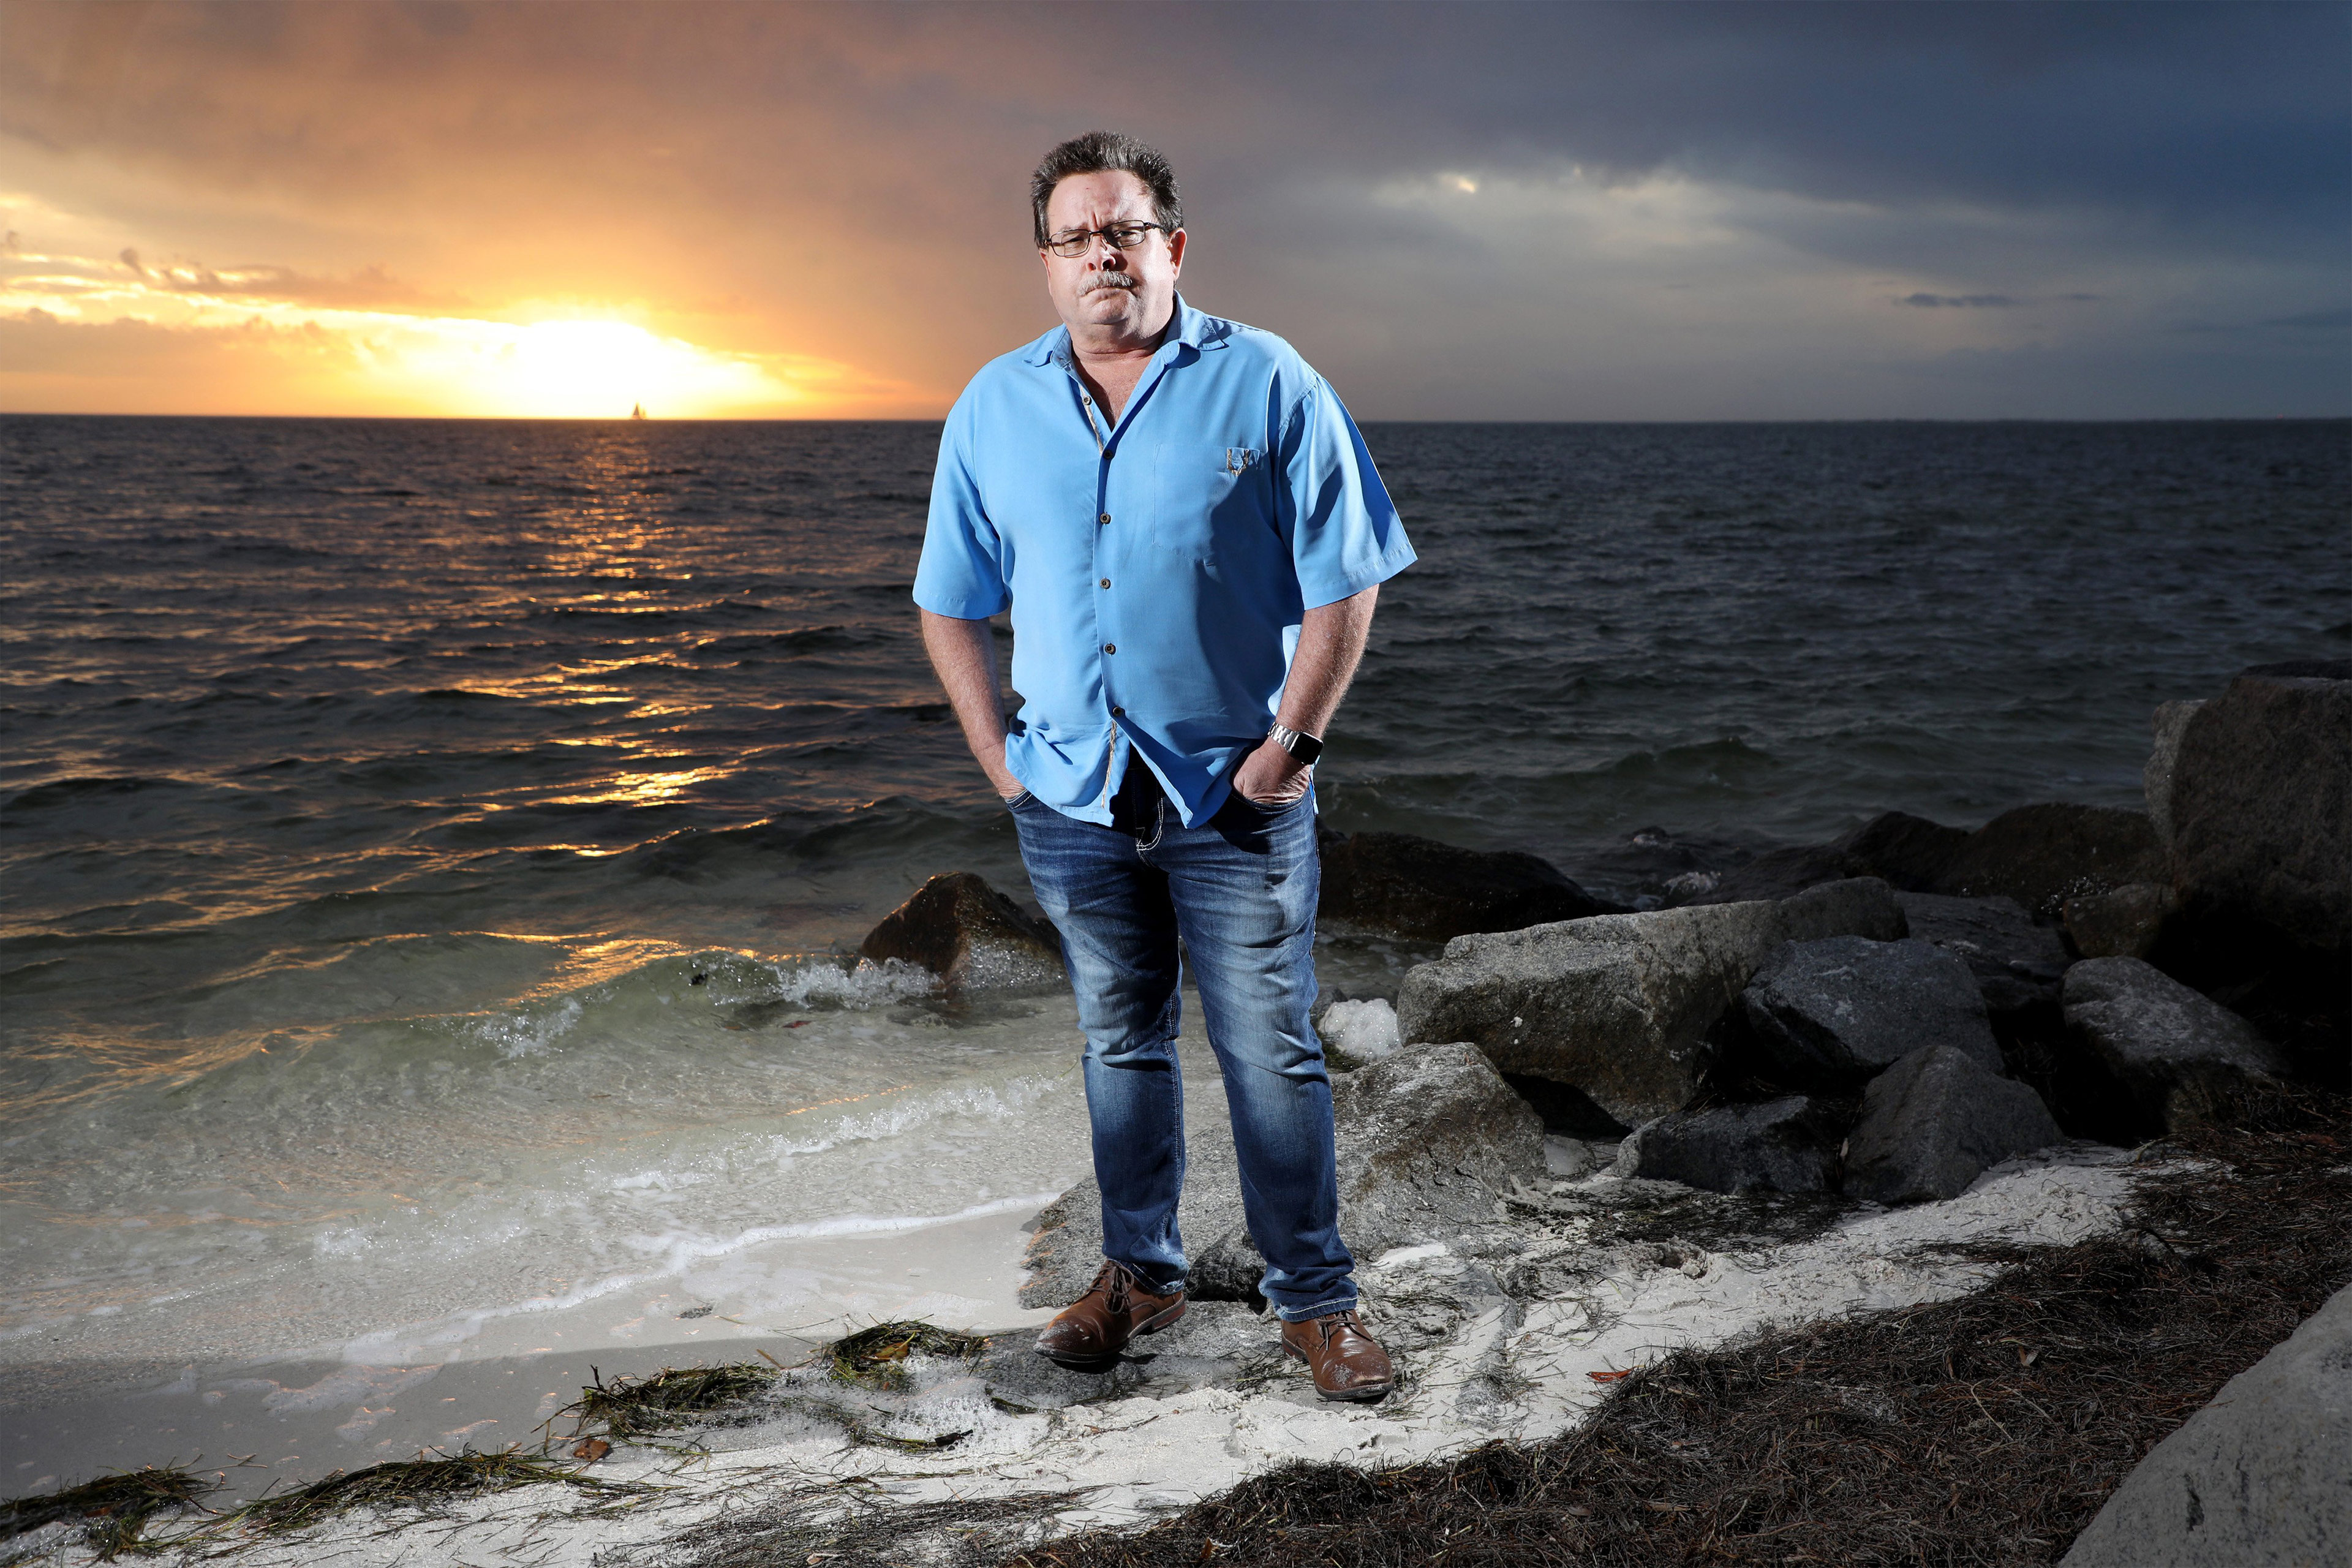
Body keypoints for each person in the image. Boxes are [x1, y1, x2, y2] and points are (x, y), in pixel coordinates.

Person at [913, 130, 1414, 1401]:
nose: (1105, 256)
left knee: (1271, 1050)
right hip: (1071, 796)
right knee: (1118, 1044)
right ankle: (1140, 1275)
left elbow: (1345, 581)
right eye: (1079, 237)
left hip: (1234, 794)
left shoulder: (1270, 381)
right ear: (1047, 264)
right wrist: (1000, 762)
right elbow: (949, 603)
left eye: (1126, 231)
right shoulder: (993, 406)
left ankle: (1317, 1299)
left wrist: (1290, 747)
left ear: (1173, 246)